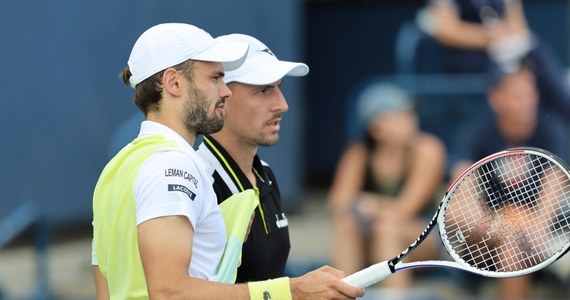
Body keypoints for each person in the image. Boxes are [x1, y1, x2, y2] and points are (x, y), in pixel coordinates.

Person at [91, 23, 364, 299]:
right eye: (215, 78)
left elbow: (106, 286)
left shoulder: (117, 167)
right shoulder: (172, 166)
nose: (225, 91)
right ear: (174, 83)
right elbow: (169, 292)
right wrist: (291, 291)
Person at [450, 60, 568, 299]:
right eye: (516, 94)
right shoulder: (477, 134)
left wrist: (532, 226)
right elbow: (459, 195)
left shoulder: (552, 131)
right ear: (496, 98)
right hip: (490, 235)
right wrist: (504, 224)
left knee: (518, 241)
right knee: (511, 239)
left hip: (549, 236)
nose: (526, 101)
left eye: (529, 92)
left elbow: (555, 185)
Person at [196, 33, 309, 283]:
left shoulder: (265, 174)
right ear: (220, 97)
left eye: (278, 88)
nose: (282, 105)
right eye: (263, 91)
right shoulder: (196, 182)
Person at [327, 82, 447, 291]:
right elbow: (337, 204)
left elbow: (407, 208)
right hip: (371, 239)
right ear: (376, 128)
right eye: (399, 116)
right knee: (346, 224)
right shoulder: (358, 154)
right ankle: (342, 294)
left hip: (423, 241)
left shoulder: (428, 149)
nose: (410, 120)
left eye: (410, 113)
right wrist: (359, 208)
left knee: (387, 229)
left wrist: (372, 205)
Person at [417, 0, 570, 118]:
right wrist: (489, 37)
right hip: (468, 58)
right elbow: (445, 30)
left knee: (536, 56)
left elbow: (519, 26)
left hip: (506, 53)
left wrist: (505, 37)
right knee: (530, 64)